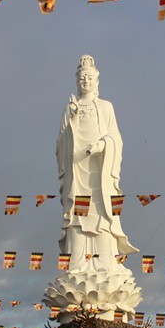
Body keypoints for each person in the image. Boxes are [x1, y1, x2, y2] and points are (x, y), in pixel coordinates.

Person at [56, 55, 138, 272]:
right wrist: (73, 118)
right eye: (82, 77)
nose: (86, 81)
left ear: (97, 81)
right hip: (77, 174)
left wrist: (104, 144)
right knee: (77, 216)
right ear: (77, 81)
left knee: (102, 216)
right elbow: (61, 144)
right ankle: (77, 264)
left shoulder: (106, 107)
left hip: (100, 173)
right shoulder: (69, 108)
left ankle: (106, 264)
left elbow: (116, 138)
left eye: (89, 77)